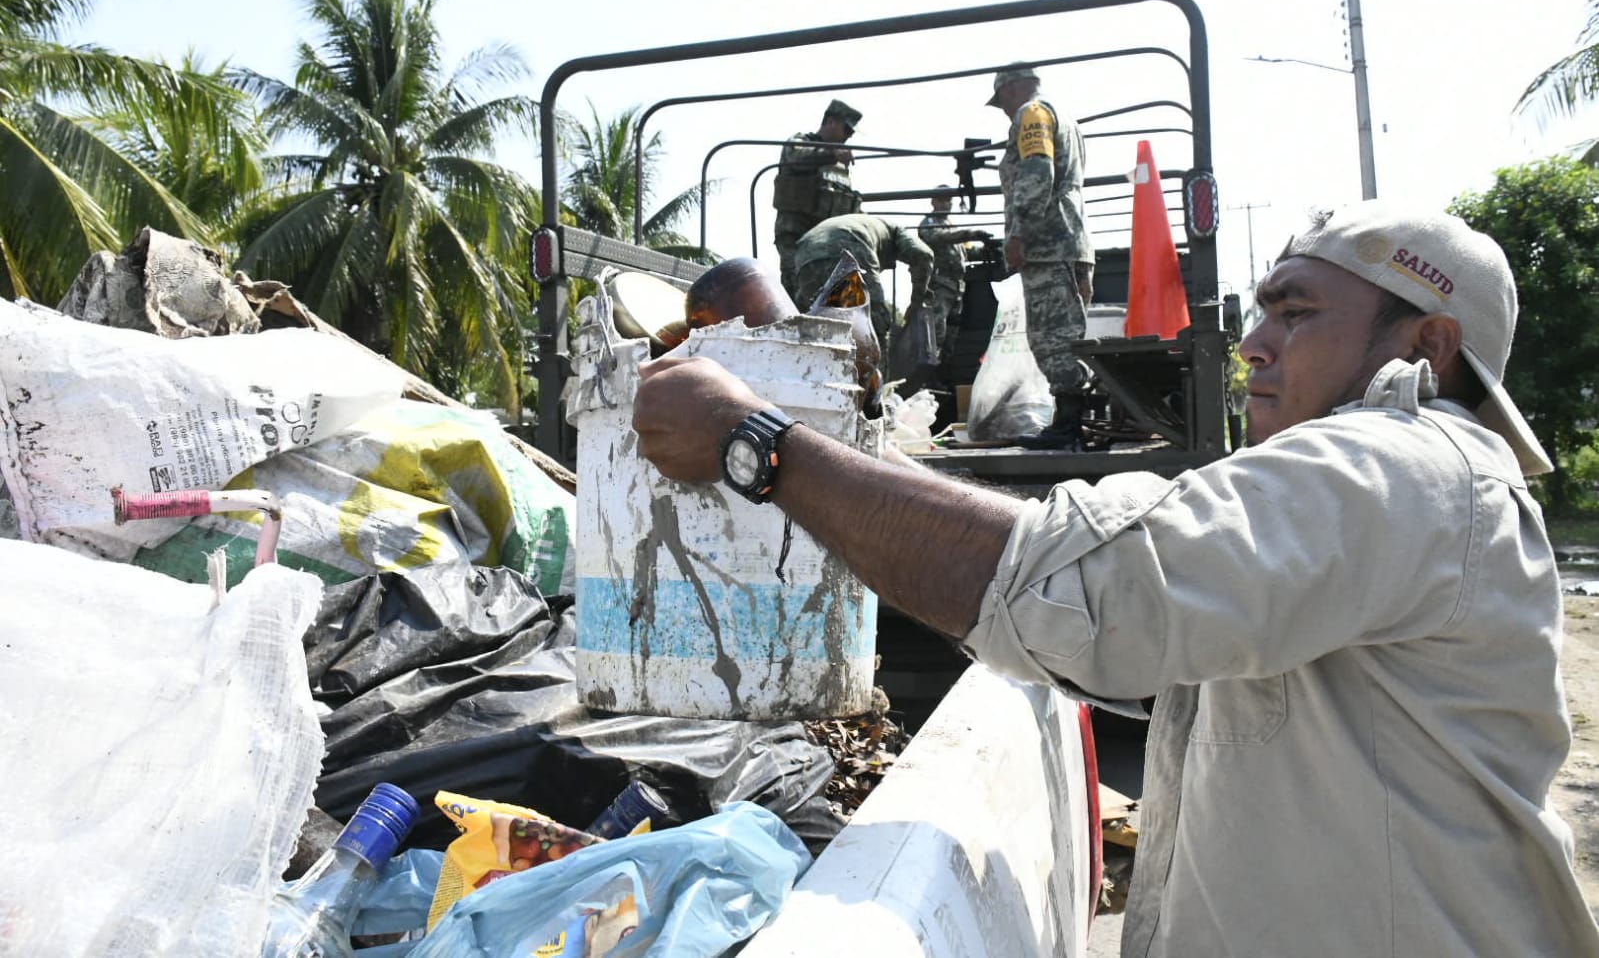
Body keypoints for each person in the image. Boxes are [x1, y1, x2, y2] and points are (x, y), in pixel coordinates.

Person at [629, 200, 1599, 957]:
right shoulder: (1387, 501)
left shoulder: (1408, 467)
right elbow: (1158, 646)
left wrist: (760, 446)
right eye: (1260, 308)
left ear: (1423, 348)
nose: (1255, 341)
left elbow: (1091, 591)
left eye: (1297, 312)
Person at [989, 63, 1096, 448]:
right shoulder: (1062, 116)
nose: (1003, 110)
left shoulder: (1031, 113)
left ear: (1012, 88)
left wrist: (1019, 233)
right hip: (1067, 241)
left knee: (1053, 340)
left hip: (1050, 246)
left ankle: (1069, 430)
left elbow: (1038, 172)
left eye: (1001, 100)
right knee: (1065, 335)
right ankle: (1071, 425)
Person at [791, 212, 934, 352]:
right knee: (873, 323)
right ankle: (876, 372)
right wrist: (916, 302)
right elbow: (924, 255)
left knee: (816, 325)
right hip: (849, 243)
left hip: (805, 254)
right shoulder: (896, 231)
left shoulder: (868, 225)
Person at [772, 99, 863, 298]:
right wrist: (832, 154)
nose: (849, 136)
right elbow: (796, 157)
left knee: (839, 295)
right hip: (796, 234)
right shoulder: (802, 142)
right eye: (846, 130)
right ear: (830, 122)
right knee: (797, 292)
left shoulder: (839, 164)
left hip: (826, 241)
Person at [917, 185, 992, 360]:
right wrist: (970, 234)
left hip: (956, 289)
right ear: (933, 201)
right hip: (939, 286)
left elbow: (965, 252)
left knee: (952, 337)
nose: (947, 204)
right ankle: (928, 376)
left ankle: (944, 375)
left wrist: (987, 250)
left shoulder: (951, 226)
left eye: (949, 200)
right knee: (936, 334)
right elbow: (938, 237)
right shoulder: (929, 223)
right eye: (942, 200)